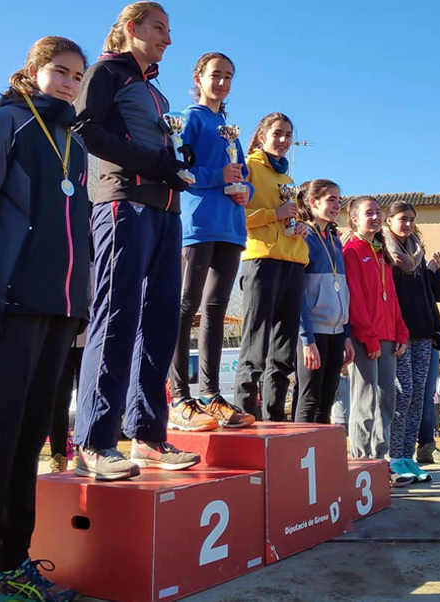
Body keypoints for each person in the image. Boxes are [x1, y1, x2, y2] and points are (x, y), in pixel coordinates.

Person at [0, 36, 91, 602]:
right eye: (59, 71)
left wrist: (79, 305)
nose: (68, 83)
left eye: (78, 76)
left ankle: (15, 561)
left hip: (60, 311)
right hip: (9, 306)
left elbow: (80, 235)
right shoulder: (4, 125)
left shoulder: (75, 147)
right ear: (32, 71)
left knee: (34, 436)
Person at [73, 2, 201, 479]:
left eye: (170, 30)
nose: (168, 38)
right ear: (131, 29)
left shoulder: (156, 93)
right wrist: (152, 164)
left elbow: (156, 147)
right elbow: (87, 130)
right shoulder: (108, 71)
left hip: (167, 210)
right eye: (159, 28)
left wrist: (175, 160)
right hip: (121, 202)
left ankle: (147, 435)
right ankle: (95, 440)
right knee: (117, 315)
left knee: (162, 321)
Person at [168, 52, 254, 429]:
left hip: (231, 228)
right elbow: (178, 168)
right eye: (215, 75)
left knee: (217, 313)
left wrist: (245, 190)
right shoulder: (190, 119)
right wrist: (217, 175)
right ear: (199, 77)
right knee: (185, 308)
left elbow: (243, 175)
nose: (222, 82)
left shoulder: (228, 127)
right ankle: (179, 395)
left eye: (228, 77)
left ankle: (210, 394)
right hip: (198, 224)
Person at [233, 112, 309, 421]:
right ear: (262, 135)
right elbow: (237, 215)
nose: (283, 140)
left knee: (283, 350)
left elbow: (286, 217)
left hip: (292, 261)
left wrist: (300, 228)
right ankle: (244, 412)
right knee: (255, 342)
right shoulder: (249, 166)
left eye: (288, 135)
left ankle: (275, 417)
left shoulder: (287, 178)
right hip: (260, 260)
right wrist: (273, 214)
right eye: (277, 133)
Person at [342, 196, 411, 487]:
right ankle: (360, 462)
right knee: (365, 400)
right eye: (368, 213)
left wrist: (401, 331)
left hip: (387, 337)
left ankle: (381, 461)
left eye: (378, 213)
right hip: (364, 337)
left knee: (386, 399)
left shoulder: (381, 252)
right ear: (355, 219)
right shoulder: (351, 250)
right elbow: (354, 298)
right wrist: (368, 336)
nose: (375, 217)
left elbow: (391, 297)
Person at [384, 200, 440, 483]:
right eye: (402, 219)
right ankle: (394, 457)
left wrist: (435, 270)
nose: (408, 224)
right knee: (403, 394)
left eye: (411, 219)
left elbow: (437, 295)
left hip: (423, 333)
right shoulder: (386, 253)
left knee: (418, 398)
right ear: (389, 222)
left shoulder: (417, 252)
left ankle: (408, 456)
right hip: (399, 333)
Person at [295, 179, 354, 423]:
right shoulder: (303, 236)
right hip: (313, 333)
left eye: (339, 200)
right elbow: (297, 292)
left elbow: (344, 290)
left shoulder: (335, 239)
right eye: (331, 199)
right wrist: (306, 339)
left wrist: (347, 334)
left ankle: (317, 460)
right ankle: (296, 459)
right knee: (309, 399)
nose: (337, 205)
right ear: (313, 202)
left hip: (337, 331)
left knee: (327, 400)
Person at [49, 335, 84, 472]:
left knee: (85, 401)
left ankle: (81, 453)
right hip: (60, 339)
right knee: (57, 401)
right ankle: (58, 455)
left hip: (89, 340)